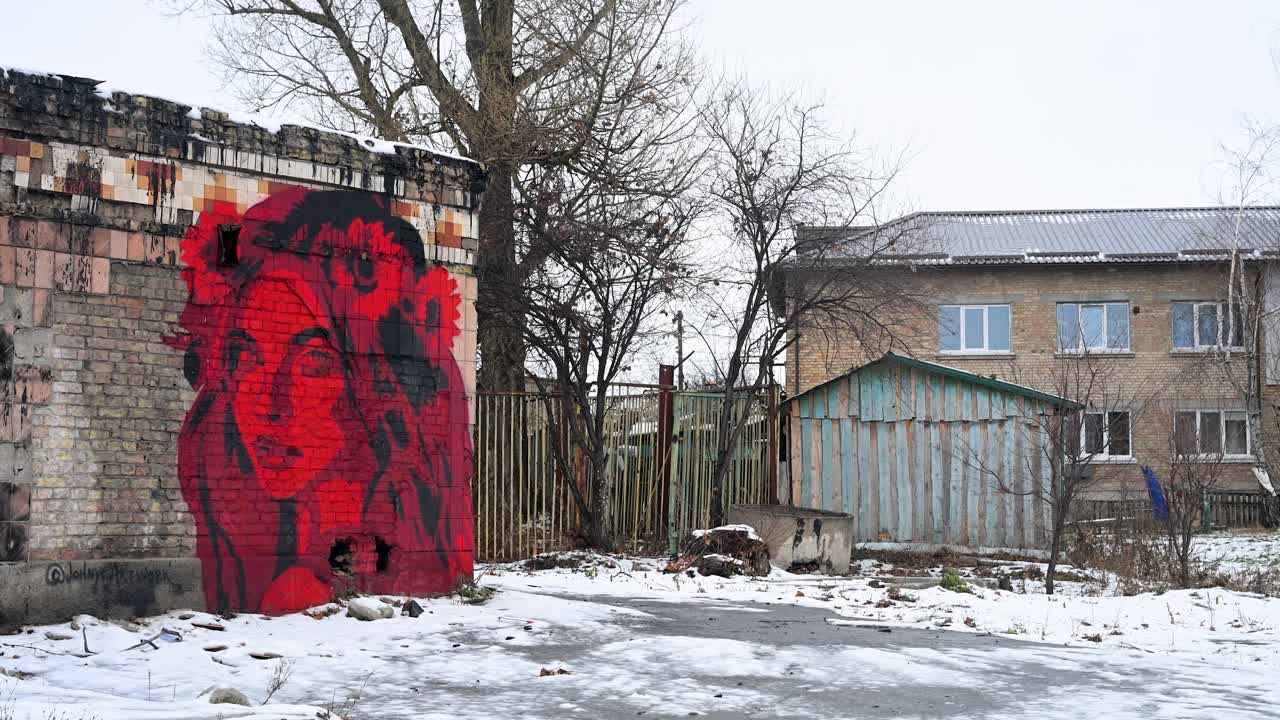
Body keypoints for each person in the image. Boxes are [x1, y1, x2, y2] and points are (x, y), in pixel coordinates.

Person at [171, 187, 473, 613]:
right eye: (247, 358)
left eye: (312, 362)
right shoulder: (230, 513)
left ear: (377, 385)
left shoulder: (403, 523)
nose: (271, 405)